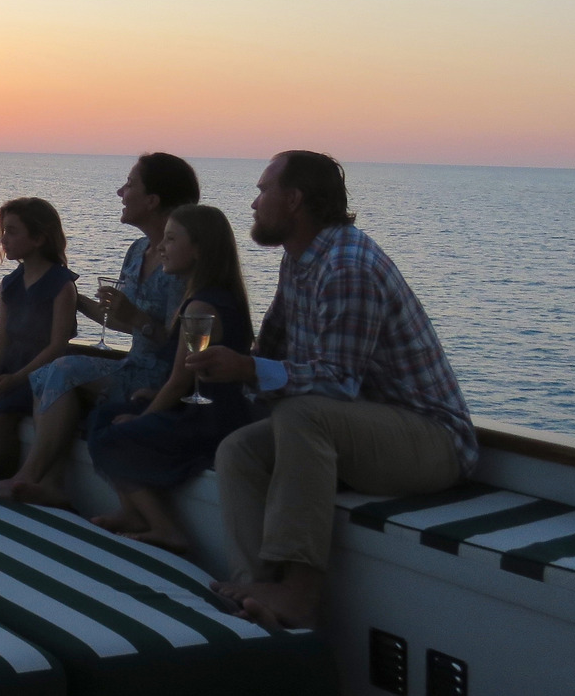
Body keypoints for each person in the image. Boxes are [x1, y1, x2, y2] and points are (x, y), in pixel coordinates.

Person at [188, 150, 475, 632]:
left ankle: (300, 593)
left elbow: (338, 382)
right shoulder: (299, 260)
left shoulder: (347, 266)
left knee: (302, 414)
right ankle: (256, 590)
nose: (254, 203)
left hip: (433, 441)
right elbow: (272, 346)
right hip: (361, 429)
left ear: (294, 200)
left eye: (263, 190)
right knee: (238, 451)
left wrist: (248, 368)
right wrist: (233, 369)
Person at [0, 153, 200, 507]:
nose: (120, 192)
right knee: (50, 372)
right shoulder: (138, 251)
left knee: (62, 368)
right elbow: (122, 321)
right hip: (134, 366)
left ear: (152, 200)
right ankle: (50, 482)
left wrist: (137, 318)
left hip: (164, 377)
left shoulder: (183, 259)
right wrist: (71, 297)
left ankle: (26, 478)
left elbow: (184, 342)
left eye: (129, 184)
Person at [84, 203, 254, 551]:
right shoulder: (212, 298)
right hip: (201, 408)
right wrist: (152, 395)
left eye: (171, 239)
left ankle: (165, 527)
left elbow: (180, 380)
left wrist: (144, 417)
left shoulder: (201, 308)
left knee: (114, 434)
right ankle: (132, 511)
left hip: (208, 419)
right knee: (104, 415)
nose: (161, 247)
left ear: (199, 250)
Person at [0, 198, 79, 476]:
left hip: (38, 374)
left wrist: (16, 379)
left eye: (12, 231)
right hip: (6, 369)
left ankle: (4, 480)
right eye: (3, 231)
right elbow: (2, 336)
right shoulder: (10, 284)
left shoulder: (61, 285)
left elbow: (57, 345)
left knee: (2, 418)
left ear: (38, 238)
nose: (4, 239)